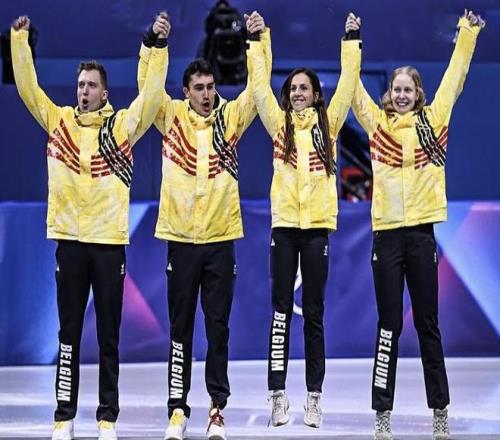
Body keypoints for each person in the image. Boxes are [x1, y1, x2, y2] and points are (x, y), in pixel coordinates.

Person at [10, 13, 168, 440]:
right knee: (68, 335)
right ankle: (63, 417)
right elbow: (28, 89)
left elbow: (152, 96)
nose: (83, 91)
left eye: (91, 85)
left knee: (109, 337)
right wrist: (20, 42)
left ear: (105, 92)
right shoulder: (58, 121)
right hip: (70, 244)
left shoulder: (122, 128)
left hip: (109, 245)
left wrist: (157, 48)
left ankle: (107, 418)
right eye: (80, 85)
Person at [351, 9, 485, 440]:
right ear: (389, 94)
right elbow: (352, 91)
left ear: (419, 94)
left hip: (422, 236)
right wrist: (351, 41)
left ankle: (440, 410)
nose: (403, 95)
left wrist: (466, 34)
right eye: (397, 89)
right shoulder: (377, 126)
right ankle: (382, 414)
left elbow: (455, 77)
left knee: (428, 325)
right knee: (388, 326)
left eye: (409, 89)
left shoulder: (435, 120)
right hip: (387, 238)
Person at [137, 12, 267, 440]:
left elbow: (258, 90)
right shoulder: (169, 116)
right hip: (180, 240)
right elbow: (147, 89)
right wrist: (155, 45)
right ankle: (177, 410)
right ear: (185, 91)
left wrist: (258, 40)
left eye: (211, 87)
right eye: (199, 88)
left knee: (217, 329)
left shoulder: (231, 119)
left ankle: (216, 410)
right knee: (180, 331)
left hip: (220, 241)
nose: (207, 95)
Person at [246, 11, 362, 428]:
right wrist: (257, 39)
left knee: (313, 313)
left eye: (304, 88)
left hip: (316, 231)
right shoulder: (278, 126)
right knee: (280, 312)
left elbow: (348, 84)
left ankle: (314, 397)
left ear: (315, 95)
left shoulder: (328, 128)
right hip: (284, 229)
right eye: (293, 88)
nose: (297, 93)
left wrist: (351, 39)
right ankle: (278, 395)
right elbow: (259, 86)